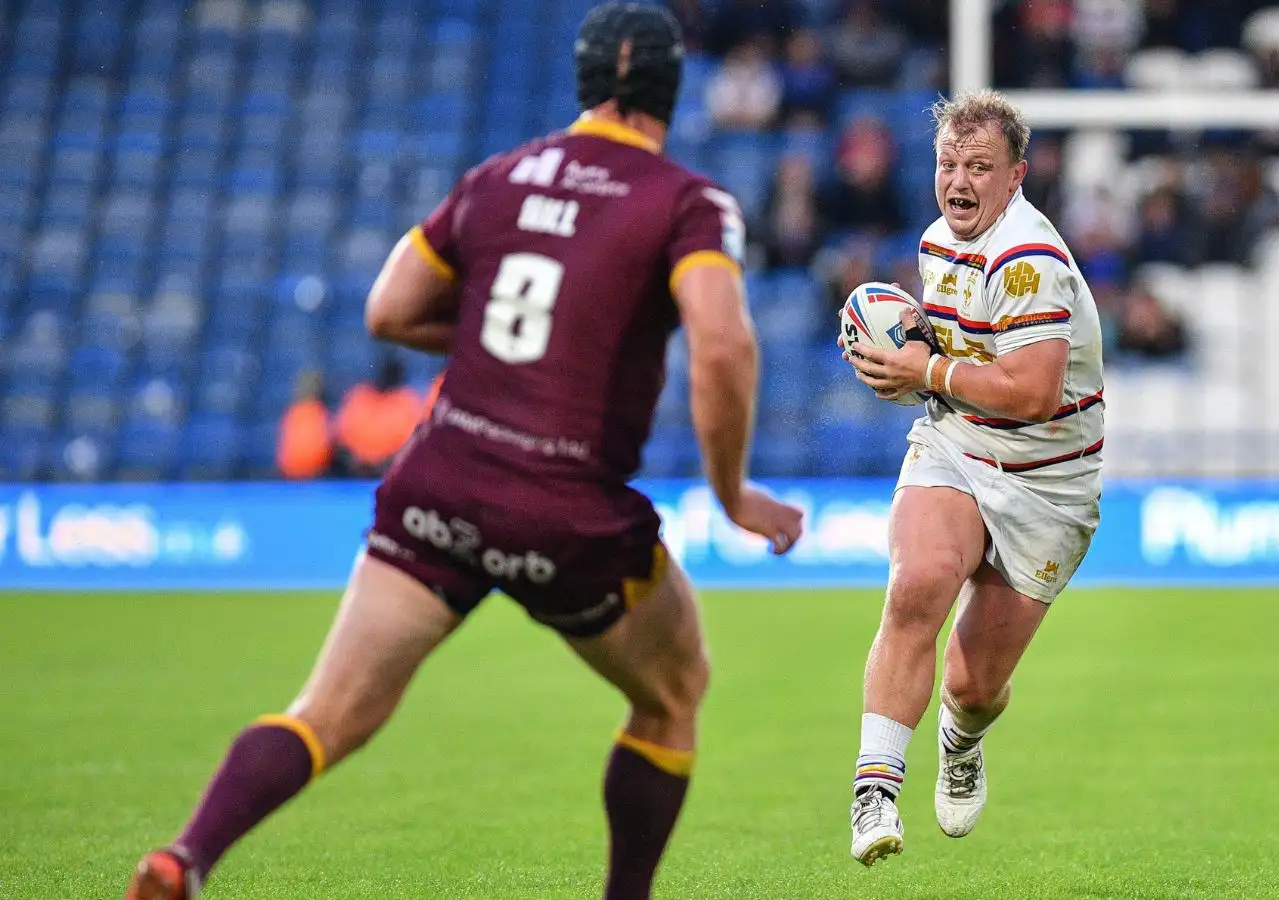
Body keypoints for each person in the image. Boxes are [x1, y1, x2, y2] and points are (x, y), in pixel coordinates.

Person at [125, 5, 804, 899]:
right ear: (671, 94)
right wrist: (733, 492)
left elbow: (388, 310)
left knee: (327, 713)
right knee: (673, 693)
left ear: (584, 82)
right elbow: (723, 346)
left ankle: (186, 856)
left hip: (438, 483)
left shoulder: (500, 176)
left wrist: (501, 336)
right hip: (565, 508)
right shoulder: (687, 201)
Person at [840, 89, 1104, 866]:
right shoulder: (935, 242)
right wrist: (906, 372)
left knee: (973, 684)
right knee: (917, 582)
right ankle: (874, 792)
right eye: (948, 163)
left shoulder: (1030, 260)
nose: (959, 180)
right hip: (957, 446)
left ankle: (961, 740)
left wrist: (929, 366)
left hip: (1048, 482)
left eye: (979, 166)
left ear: (1015, 175)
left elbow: (1033, 392)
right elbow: (949, 369)